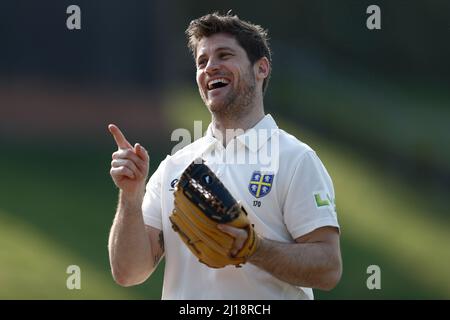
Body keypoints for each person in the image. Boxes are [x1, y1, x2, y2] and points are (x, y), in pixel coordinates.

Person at [107, 12, 342, 300]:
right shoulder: (174, 167)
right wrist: (131, 196)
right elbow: (128, 272)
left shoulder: (296, 159)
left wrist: (254, 250)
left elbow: (328, 269)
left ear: (262, 68)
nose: (210, 67)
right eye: (201, 61)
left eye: (224, 55)